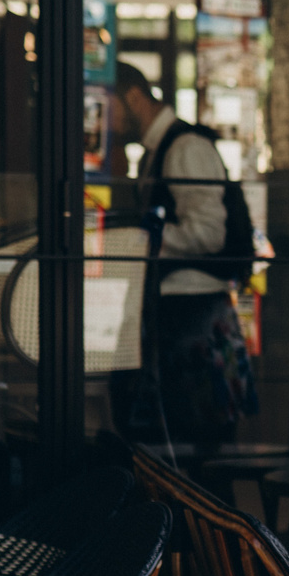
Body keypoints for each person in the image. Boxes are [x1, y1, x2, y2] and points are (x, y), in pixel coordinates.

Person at [114, 63, 257, 447]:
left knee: (198, 451)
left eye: (106, 104)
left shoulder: (185, 147)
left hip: (195, 315)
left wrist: (138, 239)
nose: (101, 118)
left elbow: (209, 233)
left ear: (133, 97)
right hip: (185, 314)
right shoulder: (160, 149)